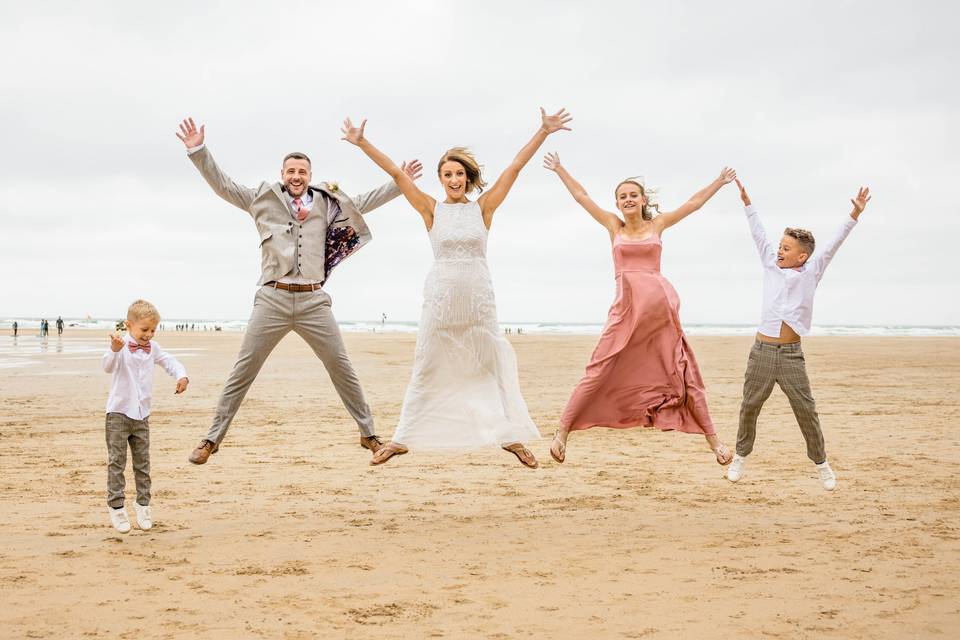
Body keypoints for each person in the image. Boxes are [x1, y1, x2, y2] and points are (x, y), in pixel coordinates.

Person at [175, 117, 422, 464]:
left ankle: (369, 435)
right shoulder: (261, 198)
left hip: (313, 301)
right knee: (242, 371)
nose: (296, 177)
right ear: (282, 173)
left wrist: (400, 182)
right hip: (272, 298)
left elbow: (364, 201)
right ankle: (211, 439)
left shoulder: (326, 201)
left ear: (309, 175)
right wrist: (197, 150)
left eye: (302, 172)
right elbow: (223, 185)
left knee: (341, 366)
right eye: (291, 171)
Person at [341, 107, 573, 467]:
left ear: (468, 177)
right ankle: (401, 438)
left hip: (479, 300)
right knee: (425, 366)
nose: (454, 179)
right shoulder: (430, 209)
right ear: (440, 178)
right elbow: (394, 173)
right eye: (447, 174)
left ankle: (510, 438)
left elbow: (514, 168)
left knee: (491, 367)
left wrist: (543, 132)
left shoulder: (483, 209)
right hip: (441, 301)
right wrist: (362, 143)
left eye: (459, 174)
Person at [543, 152, 736, 465]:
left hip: (660, 314)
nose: (628, 199)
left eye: (633, 195)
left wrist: (719, 181)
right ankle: (562, 431)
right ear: (617, 203)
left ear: (643, 199)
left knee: (683, 371)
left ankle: (715, 443)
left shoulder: (658, 224)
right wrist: (560, 169)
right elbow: (581, 196)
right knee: (598, 368)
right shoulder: (613, 226)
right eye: (622, 196)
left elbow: (693, 203)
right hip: (626, 310)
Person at [726, 180, 871, 490]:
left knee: (806, 409)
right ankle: (740, 456)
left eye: (786, 248)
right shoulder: (770, 264)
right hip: (762, 351)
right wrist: (747, 203)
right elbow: (759, 234)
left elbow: (834, 243)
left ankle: (821, 464)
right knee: (750, 406)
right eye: (780, 246)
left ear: (802, 256)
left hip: (791, 355)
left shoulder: (813, 270)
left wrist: (854, 215)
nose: (780, 250)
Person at [102, 300, 188, 533]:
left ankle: (143, 504)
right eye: (144, 330)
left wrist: (181, 376)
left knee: (143, 464)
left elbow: (169, 361)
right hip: (118, 414)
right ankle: (117, 507)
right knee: (116, 462)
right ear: (129, 325)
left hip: (142, 416)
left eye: (152, 330)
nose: (149, 334)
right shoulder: (120, 346)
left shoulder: (154, 348)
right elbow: (107, 367)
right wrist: (114, 350)